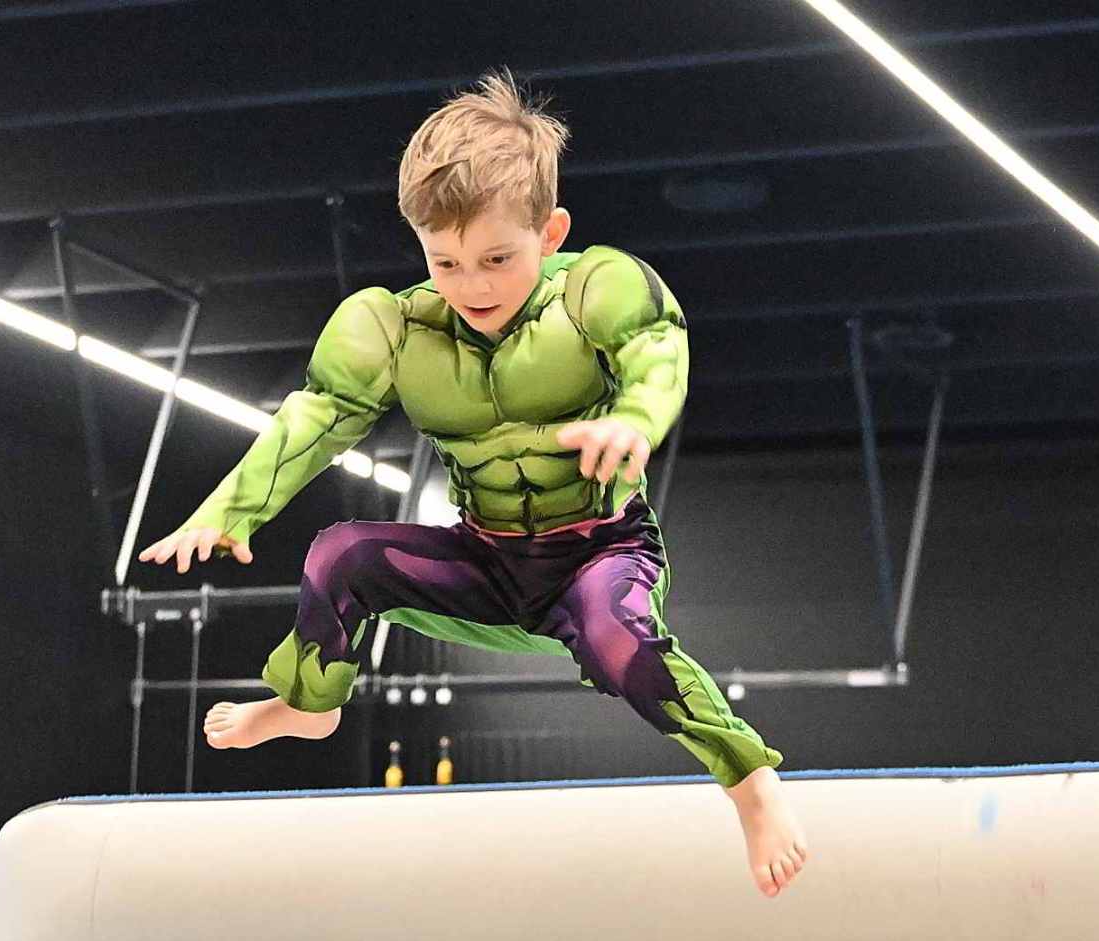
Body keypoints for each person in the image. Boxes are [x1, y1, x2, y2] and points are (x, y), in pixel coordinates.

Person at [139, 72, 809, 897]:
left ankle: (751, 782)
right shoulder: (396, 328)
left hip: (597, 556)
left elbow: (656, 349)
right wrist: (228, 512)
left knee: (618, 638)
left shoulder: (594, 291)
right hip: (484, 562)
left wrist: (634, 419)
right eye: (446, 262)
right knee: (341, 554)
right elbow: (315, 419)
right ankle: (310, 706)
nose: (474, 286)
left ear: (551, 233)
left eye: (498, 258)